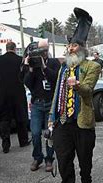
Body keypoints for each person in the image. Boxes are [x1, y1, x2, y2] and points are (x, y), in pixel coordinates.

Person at [48, 7, 100, 183]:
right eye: (70, 46)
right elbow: (56, 94)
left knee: (85, 158)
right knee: (63, 158)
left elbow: (87, 91)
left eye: (75, 46)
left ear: (82, 48)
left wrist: (77, 85)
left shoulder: (92, 66)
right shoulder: (63, 68)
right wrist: (51, 117)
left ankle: (86, 180)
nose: (71, 48)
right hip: (62, 121)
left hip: (82, 121)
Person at [24, 40, 60, 172]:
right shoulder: (32, 63)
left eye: (44, 50)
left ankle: (49, 159)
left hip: (51, 103)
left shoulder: (54, 62)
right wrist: (31, 69)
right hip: (37, 104)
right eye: (40, 50)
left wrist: (44, 67)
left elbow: (56, 78)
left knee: (49, 133)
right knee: (35, 133)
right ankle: (37, 157)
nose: (43, 53)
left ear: (48, 49)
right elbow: (27, 82)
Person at [0, 41, 29, 153]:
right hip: (18, 92)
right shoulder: (20, 60)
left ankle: (5, 145)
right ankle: (23, 140)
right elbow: (25, 75)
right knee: (21, 117)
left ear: (6, 48)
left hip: (3, 93)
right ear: (15, 49)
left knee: (4, 119)